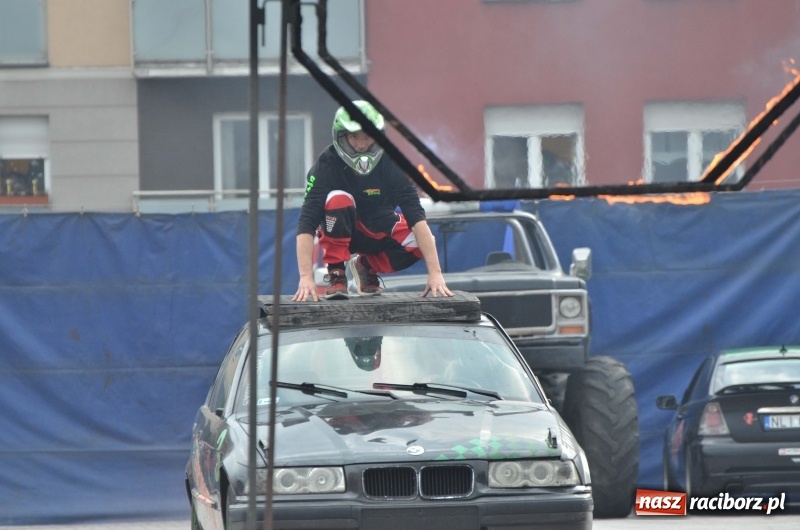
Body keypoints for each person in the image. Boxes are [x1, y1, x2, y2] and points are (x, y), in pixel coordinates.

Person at [292, 100, 453, 301]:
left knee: (424, 244)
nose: (361, 145)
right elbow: (307, 222)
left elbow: (416, 216)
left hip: (378, 225)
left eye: (367, 137)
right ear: (341, 136)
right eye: (354, 137)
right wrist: (305, 277)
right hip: (338, 226)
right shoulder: (326, 165)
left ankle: (366, 266)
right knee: (338, 199)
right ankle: (336, 272)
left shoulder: (394, 163)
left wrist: (435, 274)